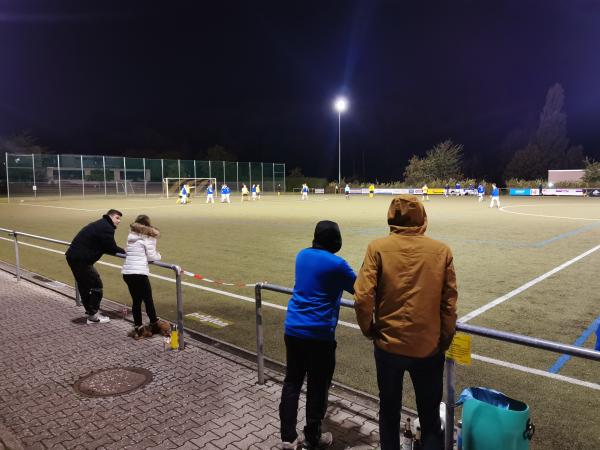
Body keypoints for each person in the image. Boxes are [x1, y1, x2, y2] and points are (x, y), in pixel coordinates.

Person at [354, 195, 458, 450]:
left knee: (389, 414)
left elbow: (362, 296)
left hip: (388, 346)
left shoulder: (377, 248)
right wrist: (444, 339)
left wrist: (370, 329)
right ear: (423, 218)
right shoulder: (442, 251)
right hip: (428, 348)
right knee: (430, 418)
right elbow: (449, 303)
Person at [279, 221, 356, 450]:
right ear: (335, 240)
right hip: (319, 334)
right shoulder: (337, 264)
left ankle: (288, 438)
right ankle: (313, 436)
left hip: (293, 328)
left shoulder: (301, 255)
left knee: (292, 382)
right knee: (317, 387)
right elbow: (360, 288)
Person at [66, 209, 126, 324]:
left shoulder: (100, 223)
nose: (119, 221)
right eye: (117, 218)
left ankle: (91, 313)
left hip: (73, 256)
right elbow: (111, 247)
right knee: (97, 285)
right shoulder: (106, 228)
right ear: (110, 217)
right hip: (81, 260)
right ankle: (93, 316)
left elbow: (103, 244)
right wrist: (124, 251)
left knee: (84, 286)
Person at [121, 215, 165, 339]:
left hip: (127, 272)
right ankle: (154, 324)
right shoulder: (148, 236)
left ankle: (139, 328)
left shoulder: (131, 236)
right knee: (148, 300)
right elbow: (152, 256)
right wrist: (159, 256)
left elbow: (127, 250)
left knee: (136, 301)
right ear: (148, 224)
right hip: (139, 273)